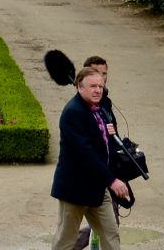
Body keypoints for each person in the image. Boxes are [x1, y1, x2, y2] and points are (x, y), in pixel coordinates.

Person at [50, 67, 127, 250]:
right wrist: (112, 180)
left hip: (99, 187)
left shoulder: (99, 108)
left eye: (100, 86)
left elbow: (104, 146)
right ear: (79, 87)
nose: (98, 90)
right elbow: (85, 153)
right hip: (75, 189)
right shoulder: (73, 112)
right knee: (65, 241)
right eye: (93, 86)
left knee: (111, 234)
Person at [72, 56, 120, 249]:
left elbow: (108, 137)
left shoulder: (105, 102)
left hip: (106, 176)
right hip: (86, 181)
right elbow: (85, 148)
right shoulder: (77, 110)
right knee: (67, 236)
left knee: (110, 229)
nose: (101, 79)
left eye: (104, 74)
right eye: (96, 74)